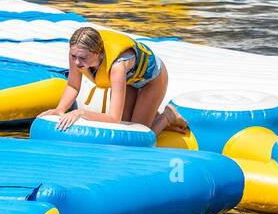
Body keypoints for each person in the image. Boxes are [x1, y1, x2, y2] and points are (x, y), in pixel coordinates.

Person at [39, 26, 189, 134]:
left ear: (97, 53)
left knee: (138, 133)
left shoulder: (117, 67)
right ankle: (151, 113)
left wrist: (81, 113)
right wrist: (60, 109)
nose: (77, 62)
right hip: (129, 80)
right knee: (124, 125)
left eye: (83, 58)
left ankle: (166, 117)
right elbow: (73, 85)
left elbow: (113, 118)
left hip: (152, 80)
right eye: (73, 56)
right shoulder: (78, 53)